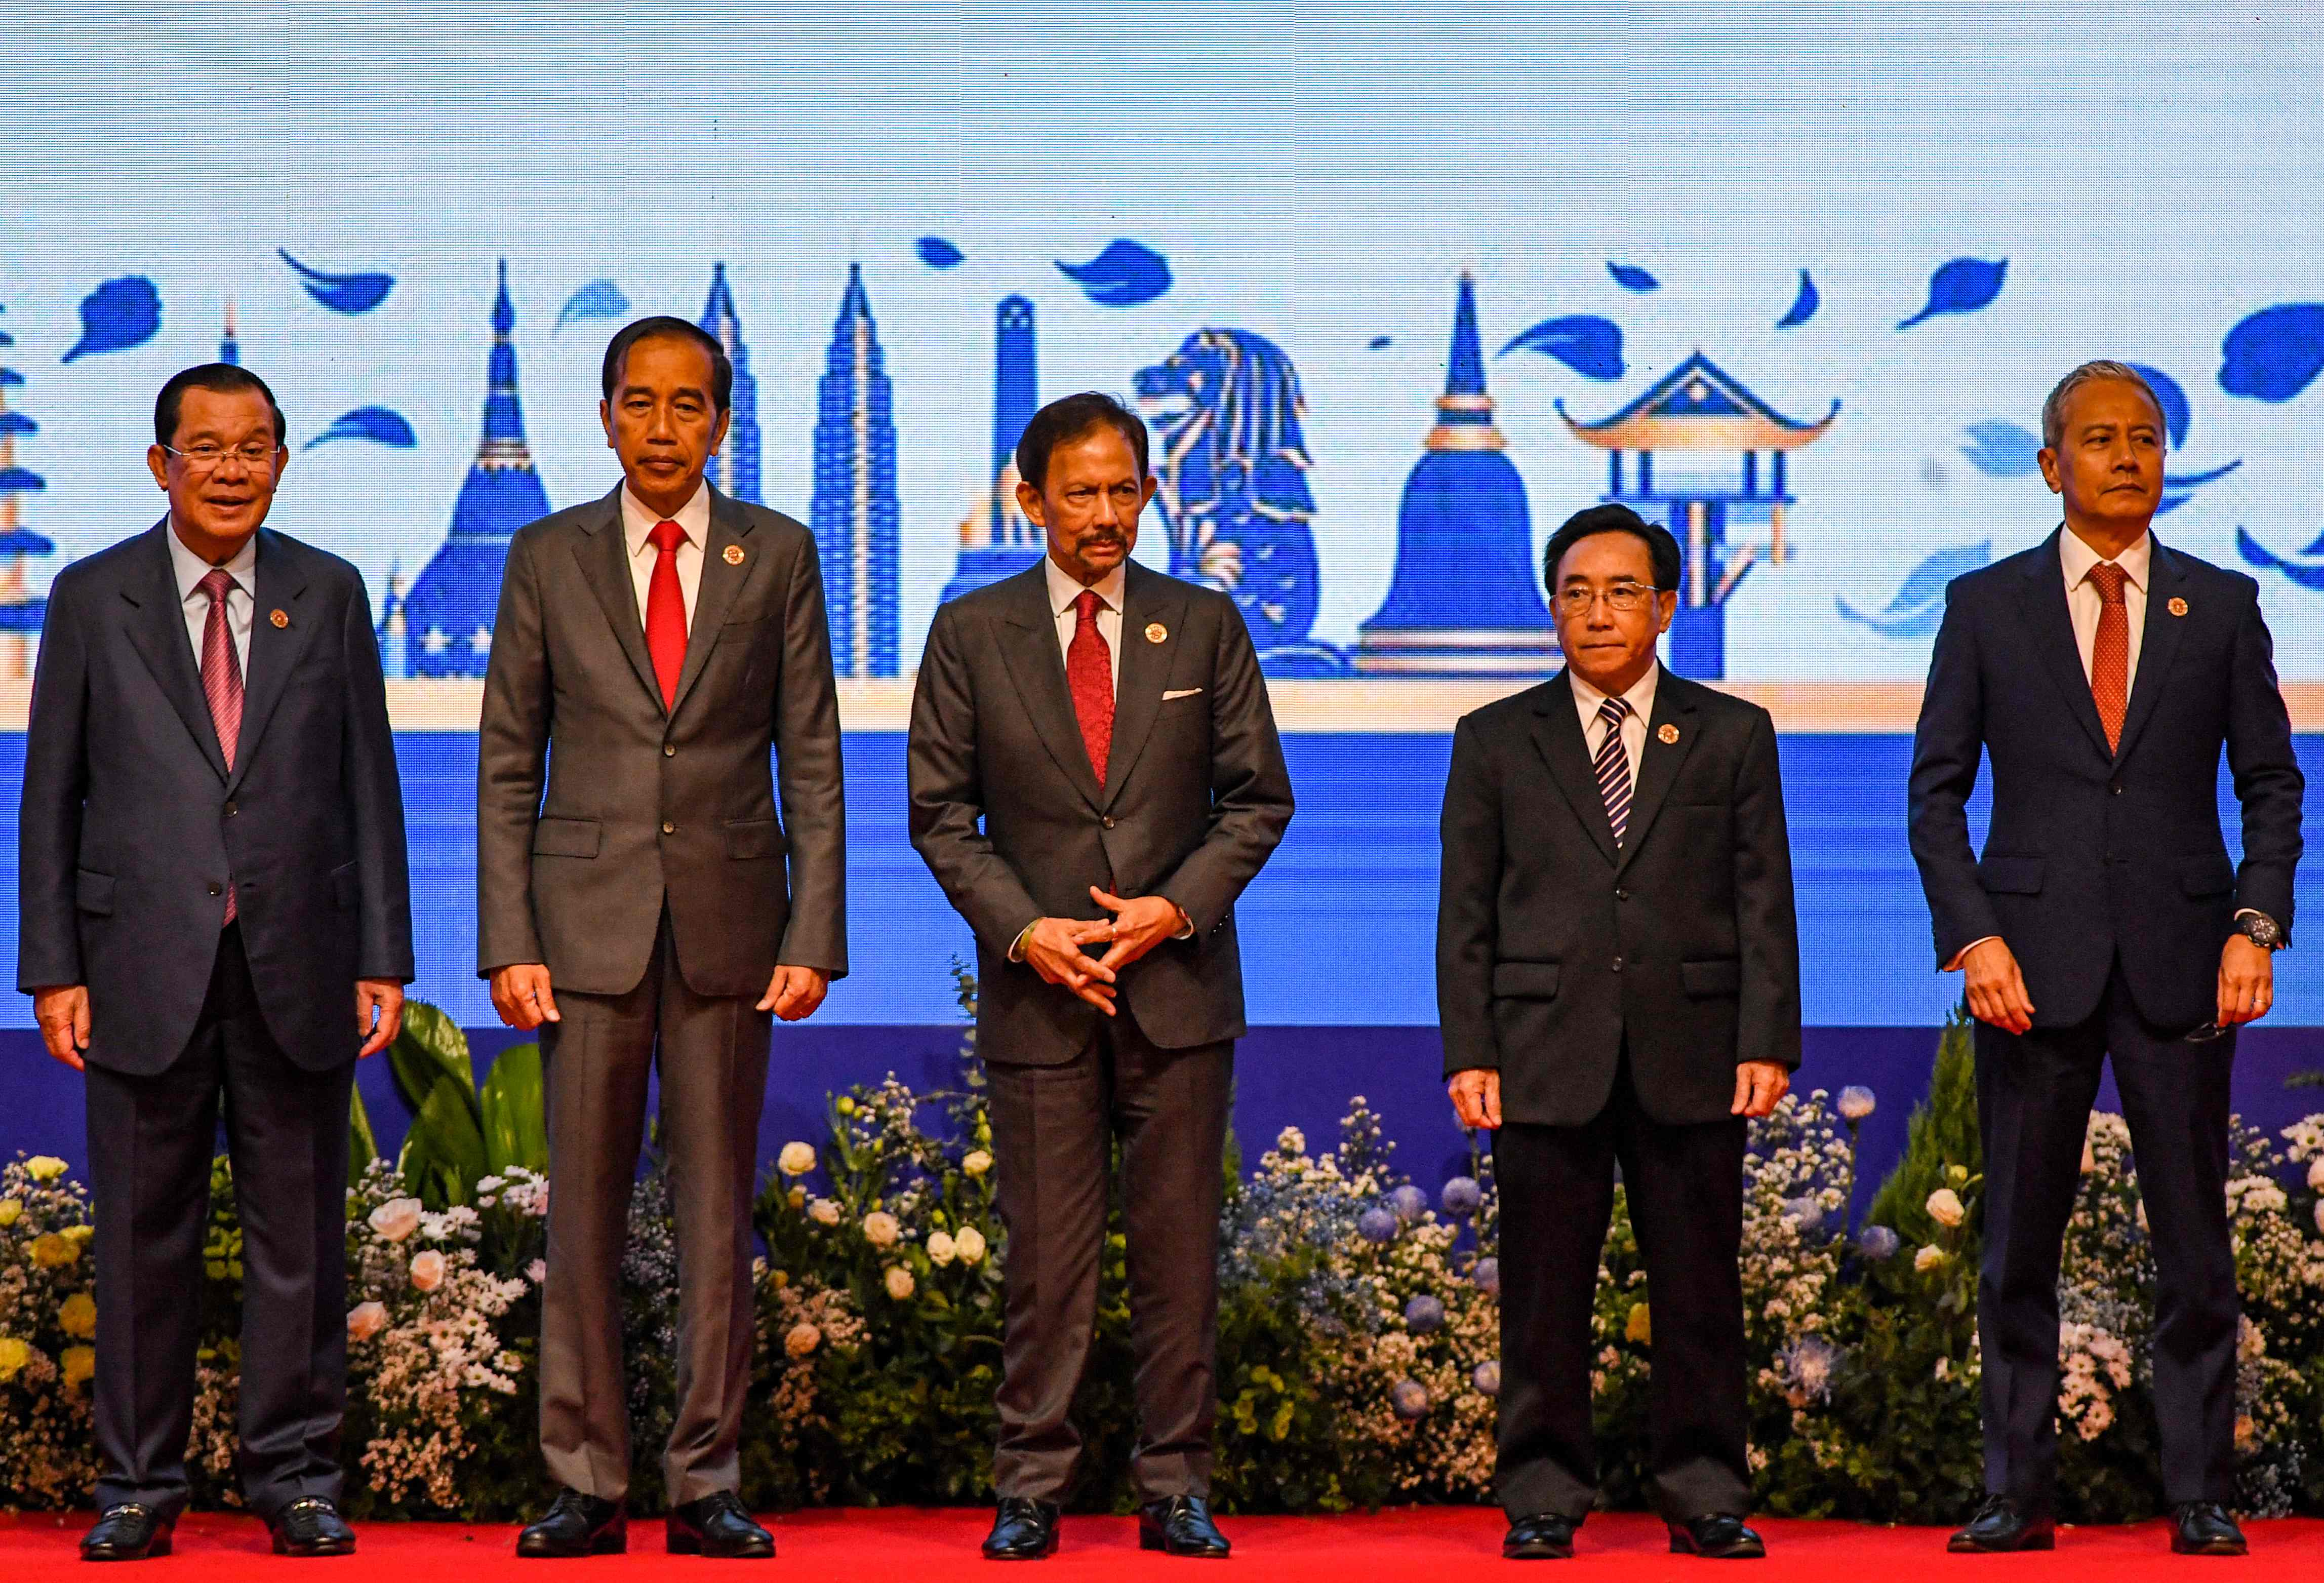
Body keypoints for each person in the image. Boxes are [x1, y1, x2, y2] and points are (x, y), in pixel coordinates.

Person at [17, 364, 412, 1560]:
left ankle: (293, 1476)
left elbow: (367, 786)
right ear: (161, 465)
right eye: (207, 448)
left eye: (254, 449)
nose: (231, 468)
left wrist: (382, 955)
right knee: (146, 1240)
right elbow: (52, 799)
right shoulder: (93, 598)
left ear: (281, 463)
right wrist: (53, 968)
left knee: (301, 1238)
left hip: (299, 960)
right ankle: (140, 1483)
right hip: (137, 961)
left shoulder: (329, 593)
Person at [1909, 360, 2302, 1558]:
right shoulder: (1985, 607)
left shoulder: (2222, 604)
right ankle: (2014, 1497)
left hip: (2188, 963)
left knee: (2194, 1246)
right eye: (2099, 438)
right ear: (2050, 465)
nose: (2127, 455)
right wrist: (1974, 936)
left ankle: (2201, 1493)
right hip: (2028, 971)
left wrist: (2255, 923)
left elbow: (2271, 784)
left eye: (2146, 436)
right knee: (2016, 1245)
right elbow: (1937, 797)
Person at [477, 316, 847, 1561]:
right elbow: (503, 765)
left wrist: (815, 933)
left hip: (733, 935)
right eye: (640, 404)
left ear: (720, 423)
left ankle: (705, 1479)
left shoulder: (778, 555)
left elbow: (814, 758)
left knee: (712, 1217)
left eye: (688, 407)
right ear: (604, 416)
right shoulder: (544, 553)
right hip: (581, 938)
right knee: (577, 1221)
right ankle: (585, 1480)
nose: (662, 428)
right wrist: (507, 939)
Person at [908, 392, 1294, 1560]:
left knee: (1180, 1259)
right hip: (1040, 994)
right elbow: (940, 816)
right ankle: (1032, 1485)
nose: (1107, 514)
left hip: (1177, 993)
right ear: (1031, 500)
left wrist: (1174, 908)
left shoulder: (1206, 623)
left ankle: (1175, 1485)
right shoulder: (972, 634)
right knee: (1047, 1263)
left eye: (1126, 489)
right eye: (1081, 492)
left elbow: (1259, 800)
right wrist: (1029, 934)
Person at [1438, 502, 1800, 1562]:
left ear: (1667, 605)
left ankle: (1705, 1494)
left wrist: (1767, 1036)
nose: (1599, 613)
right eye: (1578, 592)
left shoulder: (1732, 732)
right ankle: (1543, 1493)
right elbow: (1466, 911)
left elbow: (1763, 899)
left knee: (1699, 1285)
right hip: (1543, 1051)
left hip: (1694, 1048)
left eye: (1622, 591)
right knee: (1545, 1292)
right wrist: (1471, 1050)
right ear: (1552, 607)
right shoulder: (1496, 738)